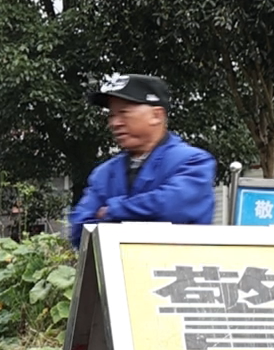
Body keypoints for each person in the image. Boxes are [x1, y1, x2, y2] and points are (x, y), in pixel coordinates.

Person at [67, 74, 216, 246]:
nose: (115, 123)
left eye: (124, 113)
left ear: (156, 115)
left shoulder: (193, 161)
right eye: (111, 115)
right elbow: (80, 229)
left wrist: (112, 210)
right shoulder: (105, 173)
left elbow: (172, 208)